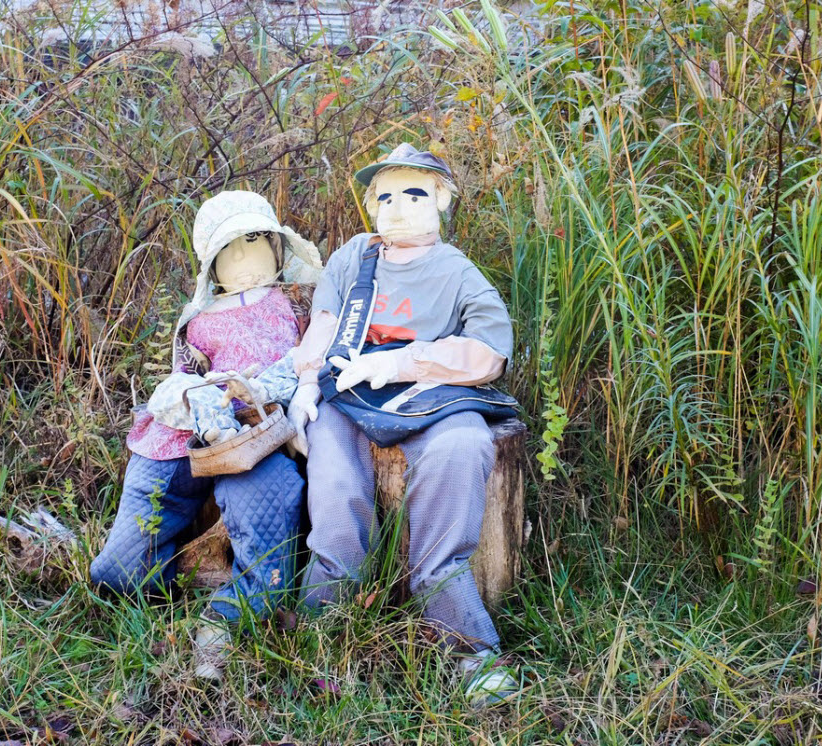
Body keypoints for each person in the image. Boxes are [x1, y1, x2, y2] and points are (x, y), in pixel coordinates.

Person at [288, 144, 520, 706]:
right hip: (348, 393)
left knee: (464, 444)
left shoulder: (457, 271)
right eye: (385, 196)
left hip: (430, 392)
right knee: (337, 495)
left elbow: (491, 350)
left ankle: (466, 646)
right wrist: (305, 383)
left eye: (413, 194)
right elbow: (325, 322)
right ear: (371, 204)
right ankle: (323, 640)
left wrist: (402, 362)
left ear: (440, 200)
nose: (397, 207)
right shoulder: (354, 257)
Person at [90, 190, 322, 680]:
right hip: (187, 430)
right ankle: (177, 578)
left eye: (255, 242)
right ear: (211, 265)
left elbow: (309, 360)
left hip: (259, 436)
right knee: (118, 569)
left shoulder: (296, 302)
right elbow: (184, 376)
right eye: (229, 249)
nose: (244, 258)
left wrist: (265, 389)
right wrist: (200, 398)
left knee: (268, 513)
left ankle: (229, 616)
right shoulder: (198, 319)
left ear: (277, 247)